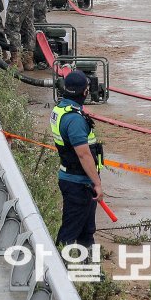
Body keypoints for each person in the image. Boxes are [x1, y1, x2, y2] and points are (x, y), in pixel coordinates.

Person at [53, 69, 104, 253]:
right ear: (84, 92)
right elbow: (83, 154)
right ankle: (57, 272)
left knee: (87, 231)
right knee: (70, 232)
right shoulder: (74, 120)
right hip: (79, 184)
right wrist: (97, 183)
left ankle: (91, 274)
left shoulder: (61, 109)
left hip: (76, 180)